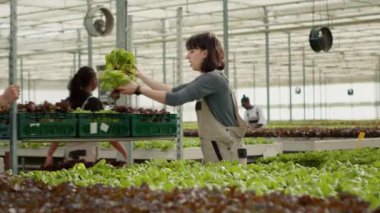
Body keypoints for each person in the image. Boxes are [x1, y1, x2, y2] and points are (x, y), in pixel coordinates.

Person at [117, 32, 247, 163]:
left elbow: (175, 98)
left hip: (225, 152)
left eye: (191, 51)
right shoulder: (211, 78)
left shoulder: (212, 79)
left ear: (204, 53)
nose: (187, 56)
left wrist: (138, 90)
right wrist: (141, 76)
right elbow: (172, 91)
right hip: (221, 150)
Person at [44, 66, 127, 167]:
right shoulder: (93, 102)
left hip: (70, 155)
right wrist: (123, 151)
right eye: (96, 79)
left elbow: (59, 131)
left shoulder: (68, 102)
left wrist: (49, 154)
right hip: (88, 157)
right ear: (92, 81)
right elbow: (105, 129)